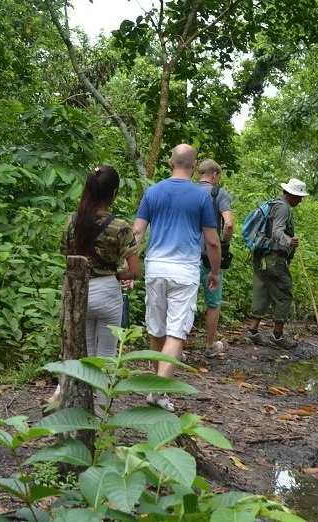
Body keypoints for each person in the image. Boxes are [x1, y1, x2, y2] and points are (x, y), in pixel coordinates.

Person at [133, 144, 221, 412]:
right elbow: (212, 241)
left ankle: (155, 388)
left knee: (156, 329)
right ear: (194, 166)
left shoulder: (153, 192)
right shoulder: (201, 197)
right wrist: (215, 271)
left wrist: (130, 267)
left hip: (156, 267)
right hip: (184, 270)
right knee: (176, 332)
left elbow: (137, 232)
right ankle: (159, 391)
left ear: (170, 162)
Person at [49, 165, 142, 413]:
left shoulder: (72, 222)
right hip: (108, 294)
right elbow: (135, 271)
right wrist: (116, 273)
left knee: (84, 354)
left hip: (78, 294)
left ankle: (74, 408)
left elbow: (67, 258)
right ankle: (100, 414)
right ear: (113, 193)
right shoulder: (120, 226)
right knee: (107, 356)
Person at [245, 178, 307, 349]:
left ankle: (253, 330)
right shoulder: (283, 207)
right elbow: (278, 231)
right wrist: (289, 241)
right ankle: (277, 335)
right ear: (292, 195)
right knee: (284, 292)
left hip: (261, 254)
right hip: (273, 257)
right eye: (299, 197)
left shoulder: (273, 203)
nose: (300, 201)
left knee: (262, 290)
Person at [196, 159, 234, 357]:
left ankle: (176, 348)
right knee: (213, 302)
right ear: (214, 174)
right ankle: (210, 345)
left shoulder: (189, 192)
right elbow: (228, 224)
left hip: (188, 256)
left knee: (184, 301)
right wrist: (224, 243)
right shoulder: (219, 193)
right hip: (210, 257)